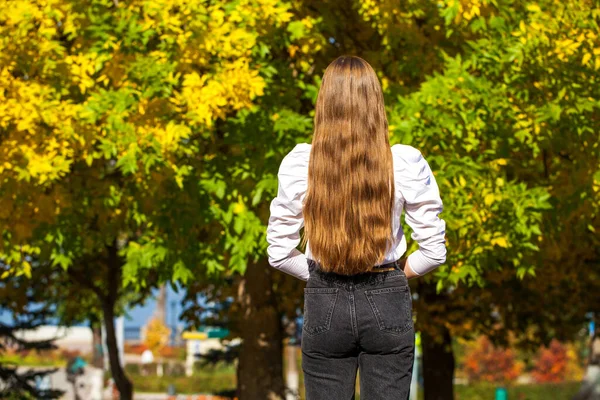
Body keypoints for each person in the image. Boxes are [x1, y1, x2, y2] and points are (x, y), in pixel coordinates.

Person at [266, 55, 447, 399]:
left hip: (324, 298)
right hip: (387, 295)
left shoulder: (300, 164)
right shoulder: (404, 162)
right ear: (375, 103)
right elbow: (434, 252)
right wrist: (394, 275)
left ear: (324, 103)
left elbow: (278, 253)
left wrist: (320, 274)